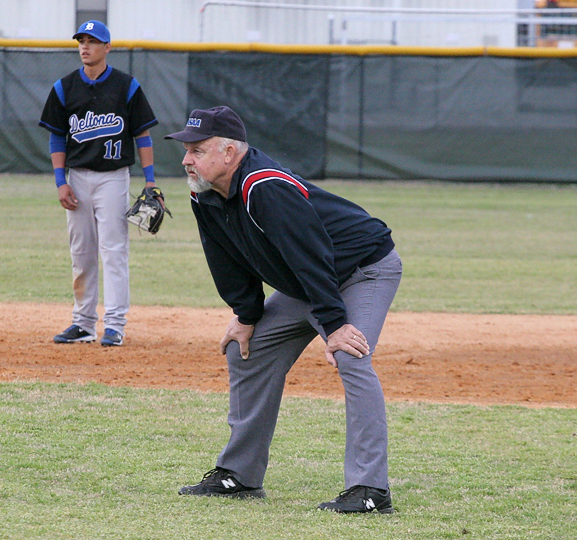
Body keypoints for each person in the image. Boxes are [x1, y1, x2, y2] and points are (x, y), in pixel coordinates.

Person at [165, 106, 403, 514]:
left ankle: (369, 489)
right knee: (247, 348)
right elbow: (224, 258)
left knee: (351, 354)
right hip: (309, 279)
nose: (187, 160)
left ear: (228, 152)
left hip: (362, 269)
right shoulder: (204, 191)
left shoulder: (264, 186)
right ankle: (239, 475)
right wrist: (246, 315)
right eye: (187, 150)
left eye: (197, 150)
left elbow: (310, 254)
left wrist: (335, 325)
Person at [38, 20, 159, 347]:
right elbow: (56, 139)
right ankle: (84, 324)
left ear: (107, 48)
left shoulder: (126, 86)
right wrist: (60, 181)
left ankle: (115, 324)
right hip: (76, 177)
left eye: (93, 41)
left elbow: (143, 136)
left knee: (114, 250)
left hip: (113, 178)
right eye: (81, 40)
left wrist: (149, 183)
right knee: (82, 252)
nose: (85, 46)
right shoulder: (64, 88)